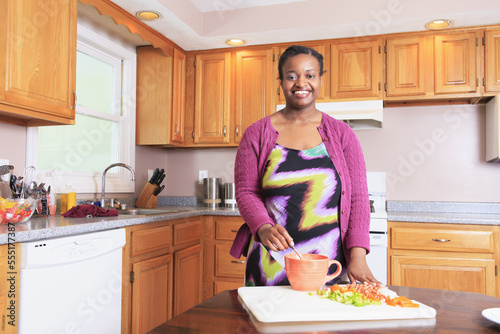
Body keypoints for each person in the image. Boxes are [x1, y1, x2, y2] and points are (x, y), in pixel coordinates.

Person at [230, 45, 381, 287]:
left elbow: (358, 199)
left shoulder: (343, 135)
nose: (301, 83)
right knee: (266, 324)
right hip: (270, 263)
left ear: (320, 79)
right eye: (292, 76)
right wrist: (263, 227)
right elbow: (247, 192)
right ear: (281, 81)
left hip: (329, 265)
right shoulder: (256, 134)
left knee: (323, 324)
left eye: (310, 75)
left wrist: (358, 256)